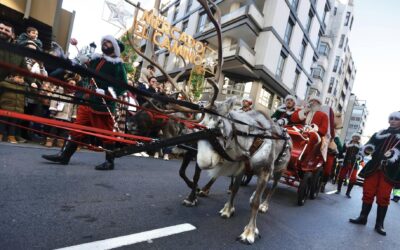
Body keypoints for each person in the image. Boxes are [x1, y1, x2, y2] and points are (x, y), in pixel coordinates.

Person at [42, 35, 128, 170]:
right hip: (88, 100)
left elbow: (122, 86)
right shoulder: (97, 59)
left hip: (103, 104)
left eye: (108, 42)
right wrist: (81, 62)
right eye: (104, 41)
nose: (105, 43)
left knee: (105, 133)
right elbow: (86, 71)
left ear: (115, 47)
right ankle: (64, 155)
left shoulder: (118, 65)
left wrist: (106, 92)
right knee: (77, 128)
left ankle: (110, 161)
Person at [349, 111, 400, 236]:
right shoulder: (380, 133)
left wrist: (394, 153)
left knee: (383, 196)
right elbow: (369, 145)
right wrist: (368, 149)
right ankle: (362, 217)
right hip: (374, 167)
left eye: (396, 119)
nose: (393, 120)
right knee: (368, 192)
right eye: (391, 118)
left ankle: (379, 224)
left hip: (390, 170)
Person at [291, 96, 329, 166]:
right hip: (300, 131)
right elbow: (293, 119)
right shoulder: (303, 111)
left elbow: (324, 130)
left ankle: (302, 159)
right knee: (290, 130)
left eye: (315, 101)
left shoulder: (323, 115)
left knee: (312, 136)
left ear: (319, 104)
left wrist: (315, 128)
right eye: (312, 101)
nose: (313, 103)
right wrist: (304, 111)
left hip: (315, 134)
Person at [46, 73, 80, 147]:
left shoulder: (74, 96)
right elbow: (54, 100)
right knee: (54, 128)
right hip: (58, 114)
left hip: (67, 116)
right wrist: (53, 110)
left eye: (74, 84)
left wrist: (74, 116)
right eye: (71, 83)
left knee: (64, 130)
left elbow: (75, 107)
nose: (72, 85)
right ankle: (50, 140)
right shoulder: (60, 91)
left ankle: (60, 141)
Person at [0, 74, 27, 143]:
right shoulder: (4, 84)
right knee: (2, 123)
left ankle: (11, 136)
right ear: (11, 77)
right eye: (19, 77)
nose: (21, 79)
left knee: (13, 124)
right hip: (5, 108)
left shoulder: (23, 87)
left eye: (23, 78)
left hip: (17, 109)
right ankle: (0, 135)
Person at [335, 133, 362, 198]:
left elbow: (362, 155)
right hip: (345, 162)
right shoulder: (347, 144)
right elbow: (341, 152)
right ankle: (338, 190)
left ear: (359, 139)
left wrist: (359, 157)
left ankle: (348, 192)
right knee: (341, 176)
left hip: (354, 164)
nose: (356, 138)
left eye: (357, 137)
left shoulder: (361, 146)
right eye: (355, 137)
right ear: (352, 137)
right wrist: (341, 160)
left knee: (353, 179)